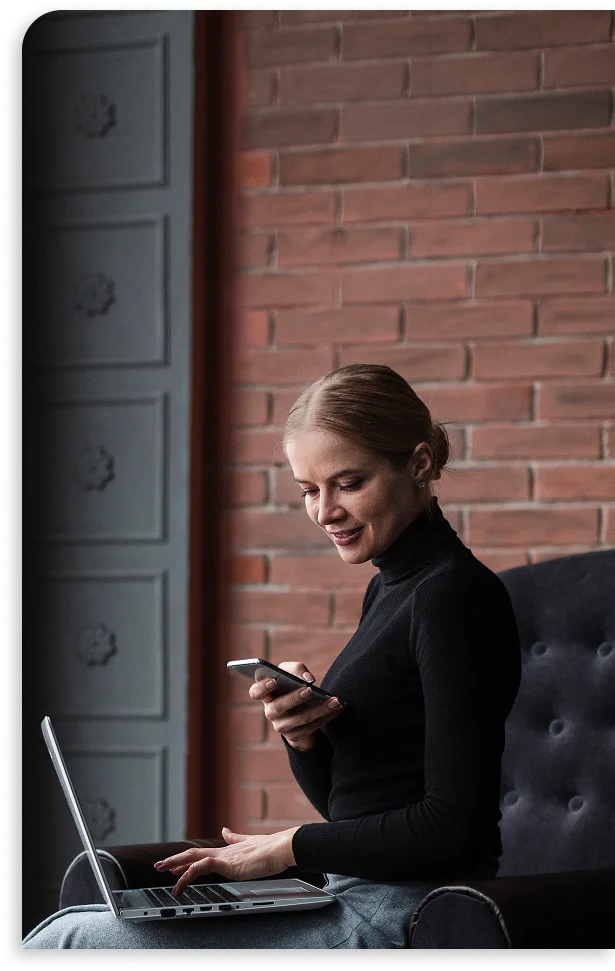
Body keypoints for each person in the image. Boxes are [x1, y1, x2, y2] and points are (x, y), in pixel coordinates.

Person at [23, 363, 521, 949]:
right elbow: (355, 810)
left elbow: (453, 831)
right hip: (351, 895)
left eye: (349, 483)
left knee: (74, 941)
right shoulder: (391, 587)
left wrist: (285, 848)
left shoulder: (453, 596)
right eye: (310, 490)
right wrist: (304, 736)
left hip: (402, 916)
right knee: (79, 932)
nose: (324, 511)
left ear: (418, 464)